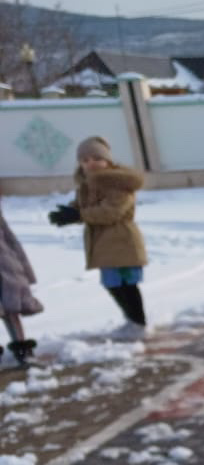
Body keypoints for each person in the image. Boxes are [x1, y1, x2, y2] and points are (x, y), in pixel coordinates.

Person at [48, 136, 149, 337]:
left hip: (122, 241)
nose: (91, 163)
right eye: (85, 160)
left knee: (126, 285)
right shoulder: (86, 185)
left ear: (108, 160)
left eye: (97, 158)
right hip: (102, 243)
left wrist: (79, 215)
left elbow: (111, 212)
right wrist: (68, 213)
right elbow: (82, 206)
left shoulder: (118, 183)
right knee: (112, 284)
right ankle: (131, 321)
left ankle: (138, 323)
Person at [0, 192, 43, 367]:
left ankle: (22, 350)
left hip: (6, 268)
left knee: (12, 309)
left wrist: (24, 269)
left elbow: (11, 241)